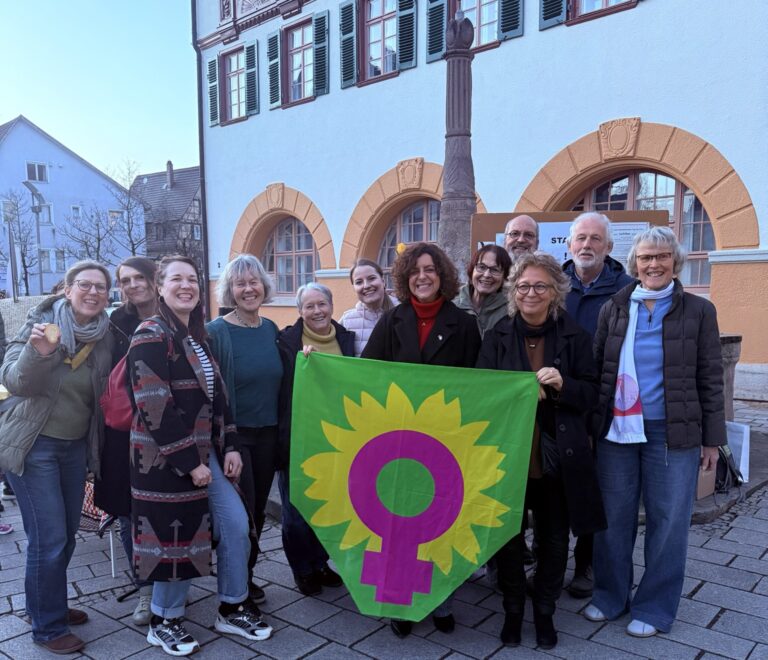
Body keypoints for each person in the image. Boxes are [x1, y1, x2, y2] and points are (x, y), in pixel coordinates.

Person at [585, 226, 726, 638]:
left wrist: (712, 439)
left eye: (661, 257)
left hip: (673, 432)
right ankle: (611, 597)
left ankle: (655, 607)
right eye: (645, 258)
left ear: (675, 262)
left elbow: (710, 376)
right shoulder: (615, 307)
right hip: (617, 430)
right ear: (634, 264)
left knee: (668, 520)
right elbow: (599, 369)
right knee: (613, 519)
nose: (653, 264)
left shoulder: (699, 311)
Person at [128, 256, 272, 656]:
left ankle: (231, 606)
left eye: (192, 279)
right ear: (160, 287)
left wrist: (230, 447)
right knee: (176, 539)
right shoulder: (150, 334)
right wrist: (189, 462)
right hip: (164, 462)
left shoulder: (196, 336)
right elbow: (154, 405)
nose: (186, 285)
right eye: (177, 279)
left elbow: (218, 401)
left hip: (207, 456)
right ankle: (164, 620)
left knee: (237, 525)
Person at [476, 252, 604, 650]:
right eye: (523, 286)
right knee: (509, 537)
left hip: (557, 457)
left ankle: (544, 611)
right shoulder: (498, 335)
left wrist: (564, 385)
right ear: (514, 291)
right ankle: (513, 609)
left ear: (555, 292)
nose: (531, 293)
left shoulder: (575, 337)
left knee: (553, 538)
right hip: (509, 456)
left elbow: (594, 395)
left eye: (540, 286)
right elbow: (480, 395)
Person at [363, 242, 481, 638]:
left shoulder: (463, 324)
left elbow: (478, 385)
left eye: (430, 269)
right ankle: (400, 602)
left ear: (442, 274)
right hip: (397, 442)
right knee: (399, 526)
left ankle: (442, 601)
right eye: (415, 271)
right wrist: (316, 360)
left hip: (445, 445)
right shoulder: (392, 320)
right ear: (405, 277)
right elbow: (365, 375)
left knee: (439, 522)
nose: (423, 277)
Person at [0, 261, 114, 655]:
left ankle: (43, 605)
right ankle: (48, 627)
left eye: (101, 287)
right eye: (84, 284)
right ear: (68, 290)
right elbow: (15, 380)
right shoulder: (38, 323)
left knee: (63, 538)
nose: (93, 292)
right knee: (47, 539)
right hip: (33, 447)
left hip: (74, 448)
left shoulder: (105, 335)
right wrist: (39, 352)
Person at [561, 212, 634, 599]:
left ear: (608, 247)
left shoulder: (626, 289)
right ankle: (550, 556)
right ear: (570, 244)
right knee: (555, 483)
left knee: (595, 487)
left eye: (595, 239)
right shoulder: (554, 284)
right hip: (559, 399)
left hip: (603, 402)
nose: (586, 245)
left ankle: (586, 564)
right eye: (581, 239)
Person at [207, 254, 283, 605]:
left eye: (254, 282)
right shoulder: (217, 332)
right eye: (240, 283)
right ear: (230, 291)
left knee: (257, 513)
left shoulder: (270, 329)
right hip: (235, 438)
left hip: (268, 435)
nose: (248, 289)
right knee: (239, 515)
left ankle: (245, 577)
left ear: (263, 286)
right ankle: (236, 583)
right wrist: (227, 441)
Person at [276, 282, 353, 595]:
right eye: (309, 306)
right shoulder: (287, 341)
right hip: (297, 438)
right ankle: (302, 569)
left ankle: (321, 563)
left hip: (335, 438)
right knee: (295, 511)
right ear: (300, 311)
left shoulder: (347, 339)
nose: (317, 311)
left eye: (322, 304)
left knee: (327, 506)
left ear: (331, 306)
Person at [94, 256, 158, 625]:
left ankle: (168, 580)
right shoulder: (115, 324)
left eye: (139, 278)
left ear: (154, 279)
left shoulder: (176, 315)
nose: (132, 285)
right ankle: (145, 588)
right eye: (125, 280)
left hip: (165, 430)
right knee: (126, 513)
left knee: (163, 511)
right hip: (121, 431)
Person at [454, 244, 512, 338]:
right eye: (482, 267)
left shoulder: (510, 312)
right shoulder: (451, 304)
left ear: (504, 277)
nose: (486, 275)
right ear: (472, 270)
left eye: (495, 270)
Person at [340, 258, 395, 356]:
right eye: (359, 282)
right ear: (354, 288)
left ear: (383, 281)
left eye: (372, 278)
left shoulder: (403, 314)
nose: (366, 286)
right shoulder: (347, 321)